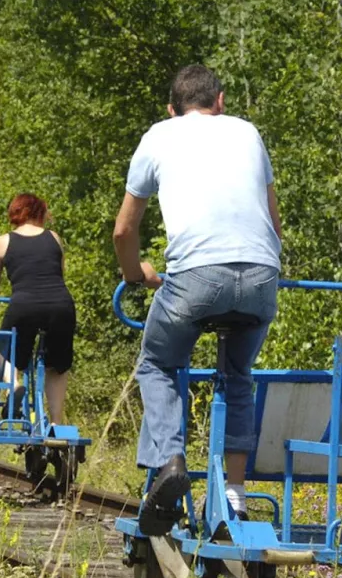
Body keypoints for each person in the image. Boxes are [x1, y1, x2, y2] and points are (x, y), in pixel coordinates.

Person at [113, 64, 282, 533]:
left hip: (193, 278)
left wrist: (136, 274)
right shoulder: (248, 132)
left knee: (158, 363)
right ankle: (235, 497)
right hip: (262, 274)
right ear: (220, 101)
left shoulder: (158, 136)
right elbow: (274, 220)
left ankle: (169, 463)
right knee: (237, 375)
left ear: (171, 110)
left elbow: (124, 229)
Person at [0, 193, 76, 425]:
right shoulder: (54, 237)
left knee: (6, 352)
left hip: (24, 304)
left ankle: (14, 385)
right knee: (57, 366)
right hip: (60, 305)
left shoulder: (3, 241)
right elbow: (60, 273)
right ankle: (55, 422)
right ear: (40, 212)